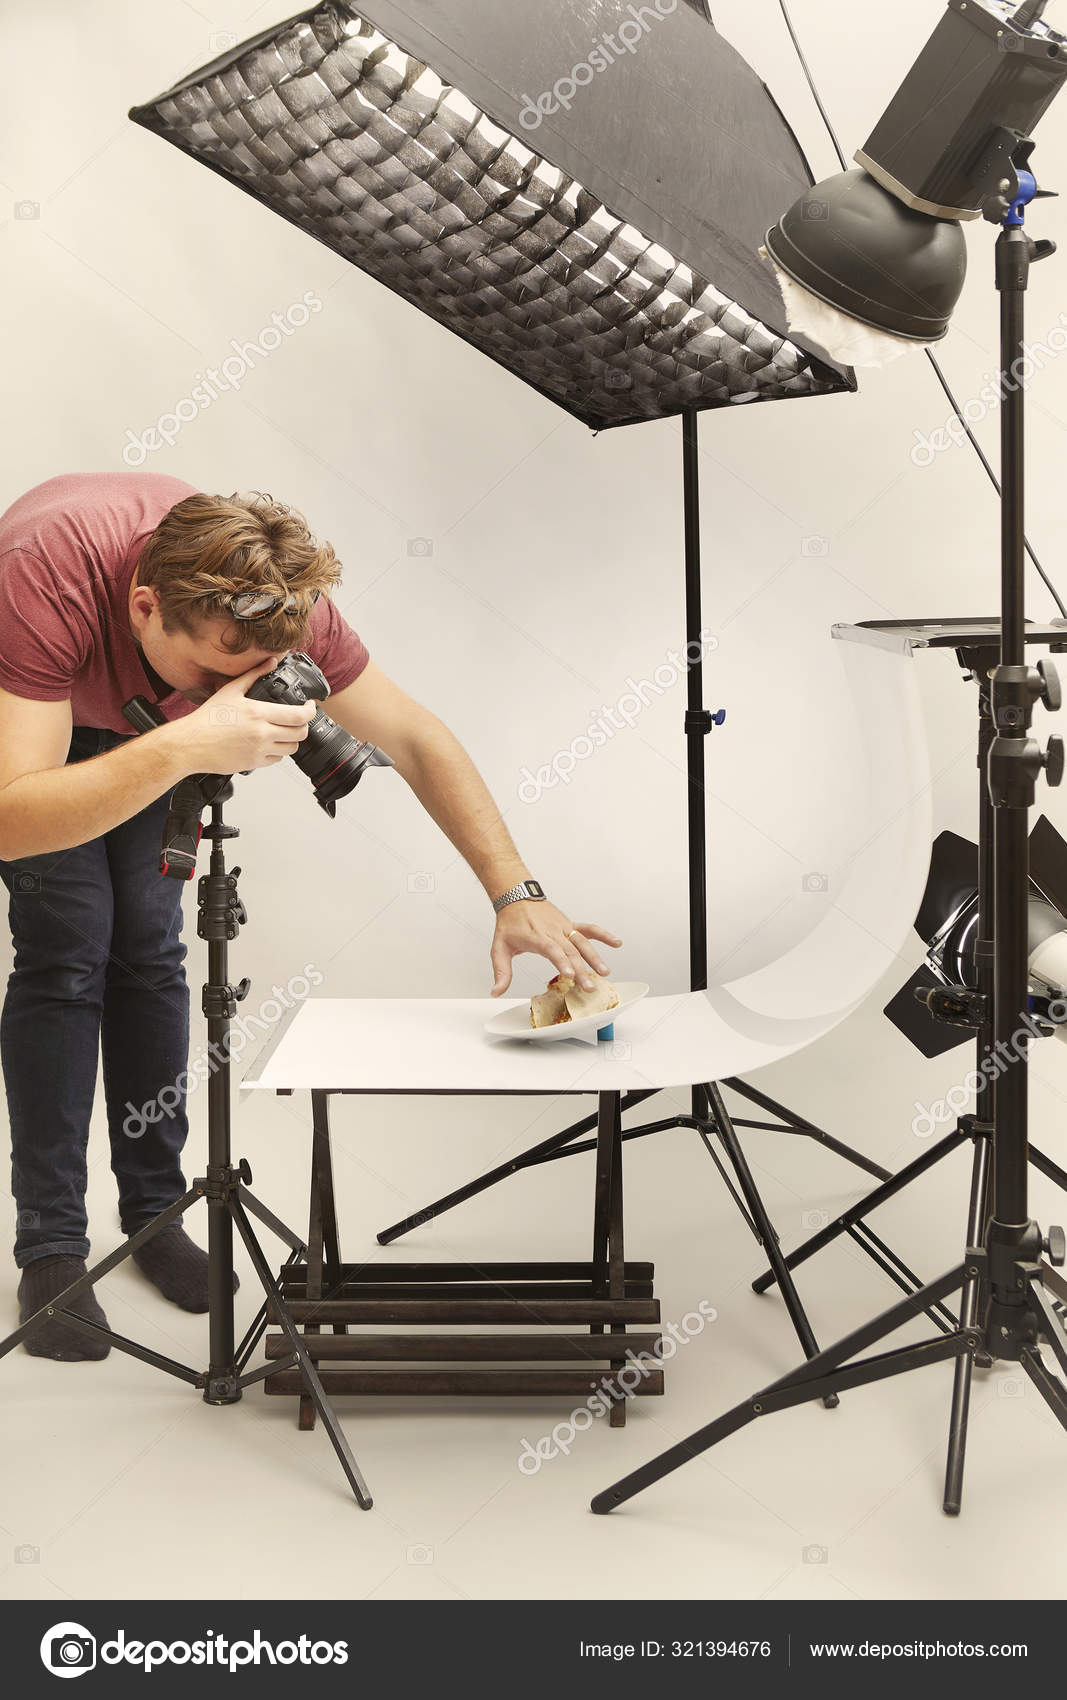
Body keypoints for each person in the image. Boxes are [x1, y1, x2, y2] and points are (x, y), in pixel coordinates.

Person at [0, 472, 621, 1360]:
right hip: (27, 708)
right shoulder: (44, 574)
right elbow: (12, 814)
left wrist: (514, 892)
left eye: (262, 675)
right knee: (66, 955)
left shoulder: (276, 607)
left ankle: (153, 1214)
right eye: (223, 674)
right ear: (144, 607)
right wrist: (186, 740)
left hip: (148, 719)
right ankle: (52, 1247)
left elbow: (414, 736)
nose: (250, 693)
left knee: (147, 951)